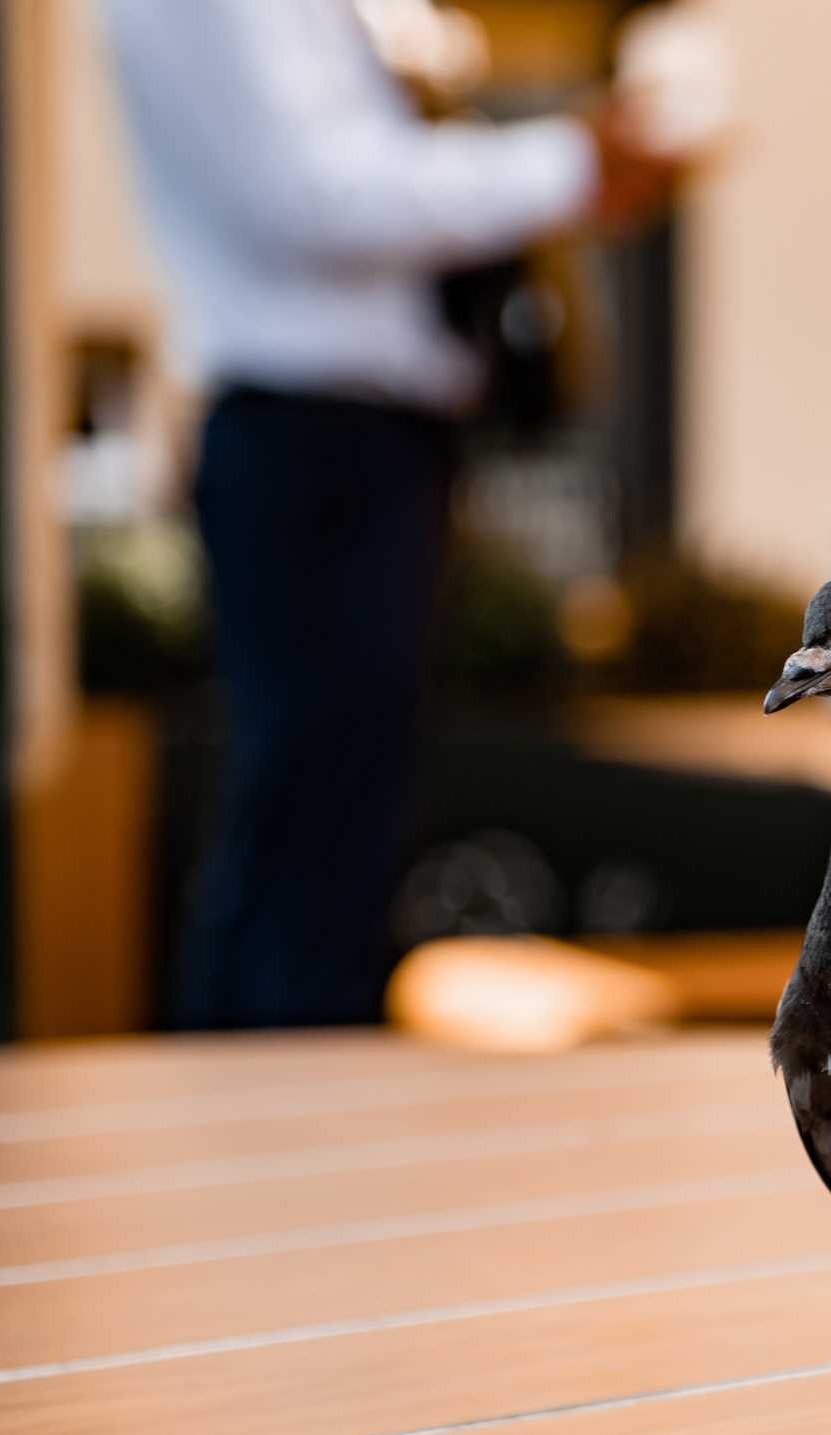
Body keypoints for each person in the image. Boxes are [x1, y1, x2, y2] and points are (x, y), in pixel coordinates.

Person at [102, 0, 681, 1026]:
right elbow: (309, 191)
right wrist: (555, 167)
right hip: (313, 439)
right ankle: (271, 1138)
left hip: (344, 442)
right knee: (311, 836)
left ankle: (281, 1123)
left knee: (331, 830)